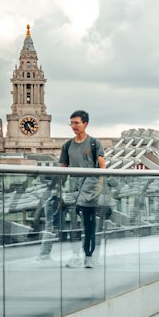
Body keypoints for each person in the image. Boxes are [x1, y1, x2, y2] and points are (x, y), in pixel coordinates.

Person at [38, 112, 105, 265]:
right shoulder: (67, 145)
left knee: (89, 225)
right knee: (74, 225)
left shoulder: (95, 143)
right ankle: (77, 256)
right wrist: (58, 192)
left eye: (76, 123)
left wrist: (96, 189)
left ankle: (88, 256)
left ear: (85, 124)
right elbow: (63, 171)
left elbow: (102, 168)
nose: (73, 127)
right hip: (72, 191)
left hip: (89, 191)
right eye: (71, 123)